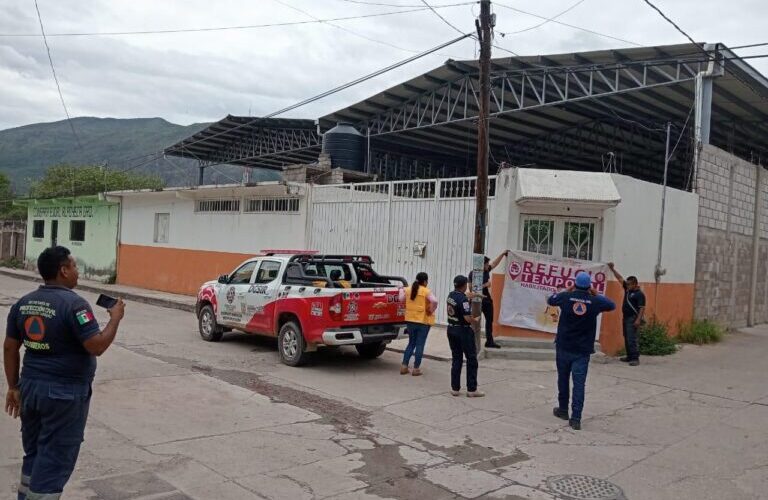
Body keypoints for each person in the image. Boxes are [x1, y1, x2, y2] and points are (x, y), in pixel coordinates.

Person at [4, 246, 126, 500]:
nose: (76, 271)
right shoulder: (75, 305)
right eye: (73, 266)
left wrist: (13, 386)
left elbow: (9, 347)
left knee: (35, 452)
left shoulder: (24, 303)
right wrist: (115, 318)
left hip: (30, 388)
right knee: (55, 459)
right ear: (63, 270)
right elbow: (96, 346)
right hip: (63, 394)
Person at [547, 272, 615, 430]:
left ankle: (563, 410)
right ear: (589, 286)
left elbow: (551, 299)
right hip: (582, 350)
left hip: (564, 346)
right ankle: (576, 418)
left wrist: (567, 290)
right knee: (579, 384)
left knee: (563, 379)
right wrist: (596, 293)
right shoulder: (595, 301)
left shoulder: (565, 298)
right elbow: (612, 305)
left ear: (574, 284)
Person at [446, 275, 484, 397]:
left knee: (456, 358)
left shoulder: (451, 295)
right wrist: (475, 319)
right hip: (463, 331)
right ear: (465, 285)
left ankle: (455, 388)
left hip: (451, 329)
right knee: (471, 359)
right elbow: (467, 319)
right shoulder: (463, 300)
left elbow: (465, 295)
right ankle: (472, 389)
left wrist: (475, 295)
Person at [607, 262, 646, 366]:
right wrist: (612, 269)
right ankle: (629, 356)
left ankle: (635, 358)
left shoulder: (639, 294)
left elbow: (642, 308)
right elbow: (620, 278)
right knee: (626, 336)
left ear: (634, 284)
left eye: (629, 284)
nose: (627, 285)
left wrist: (638, 320)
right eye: (627, 284)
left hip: (633, 318)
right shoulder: (628, 290)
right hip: (626, 317)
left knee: (631, 338)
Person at [469, 251, 509, 349]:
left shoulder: (486, 271)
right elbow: (471, 289)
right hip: (476, 301)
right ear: (482, 264)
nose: (488, 265)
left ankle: (489, 341)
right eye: (486, 264)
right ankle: (472, 341)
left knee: (489, 320)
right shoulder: (473, 273)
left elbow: (495, 263)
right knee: (474, 321)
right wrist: (485, 285)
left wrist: (503, 254)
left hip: (486, 299)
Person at [400, 272, 437, 376]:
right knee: (420, 344)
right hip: (422, 321)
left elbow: (400, 299)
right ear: (425, 281)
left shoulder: (408, 289)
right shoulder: (426, 291)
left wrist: (400, 289)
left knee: (411, 343)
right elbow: (434, 301)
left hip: (410, 320)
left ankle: (404, 366)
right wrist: (431, 309)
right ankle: (416, 369)